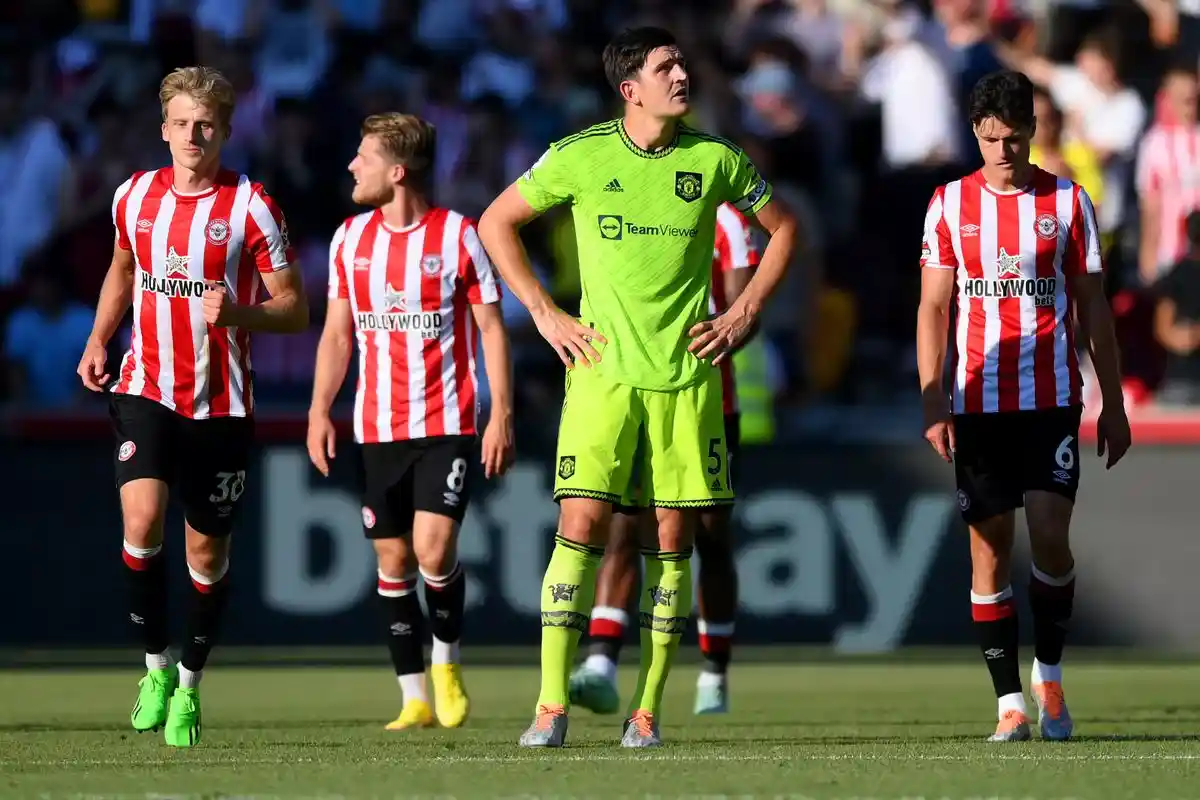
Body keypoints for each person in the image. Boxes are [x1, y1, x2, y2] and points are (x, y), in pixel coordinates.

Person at [478, 26, 797, 749]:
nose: (681, 74)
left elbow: (784, 229)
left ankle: (647, 707)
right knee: (581, 528)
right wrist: (546, 312)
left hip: (686, 380)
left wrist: (743, 312)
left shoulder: (715, 161)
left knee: (672, 540)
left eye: (683, 62)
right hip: (602, 378)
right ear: (632, 89)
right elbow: (497, 222)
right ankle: (551, 705)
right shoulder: (581, 156)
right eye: (666, 67)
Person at [76, 66, 309, 748]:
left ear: (226, 131)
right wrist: (98, 338)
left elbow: (294, 309)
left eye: (205, 124)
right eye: (180, 123)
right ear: (164, 129)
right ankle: (154, 668)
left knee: (205, 555)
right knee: (141, 521)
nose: (192, 135)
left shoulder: (252, 206)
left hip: (220, 406)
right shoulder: (135, 196)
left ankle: (189, 687)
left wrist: (238, 311)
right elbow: (122, 269)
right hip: (144, 388)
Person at [917, 70, 1131, 743]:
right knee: (988, 552)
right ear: (974, 135)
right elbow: (933, 306)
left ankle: (1051, 672)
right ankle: (1009, 703)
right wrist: (933, 398)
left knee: (1049, 536)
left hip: (1051, 397)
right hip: (977, 401)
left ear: (1034, 132)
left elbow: (1093, 304)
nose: (1003, 151)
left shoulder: (1068, 202)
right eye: (990, 139)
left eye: (1014, 138)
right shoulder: (949, 204)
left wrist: (1115, 403)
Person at [307, 113, 515, 731]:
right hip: (375, 428)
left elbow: (491, 329)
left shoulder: (458, 236)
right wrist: (321, 408)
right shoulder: (349, 241)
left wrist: (499, 410)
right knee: (393, 561)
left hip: (445, 422)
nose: (351, 166)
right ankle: (414, 696)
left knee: (433, 548)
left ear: (397, 172)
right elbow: (338, 334)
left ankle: (447, 661)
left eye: (362, 157)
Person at [568, 202, 759, 716]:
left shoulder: (726, 221)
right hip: (634, 396)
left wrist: (709, 340)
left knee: (710, 538)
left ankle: (714, 673)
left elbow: (745, 315)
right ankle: (601, 664)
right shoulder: (629, 206)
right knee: (626, 529)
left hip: (706, 405)